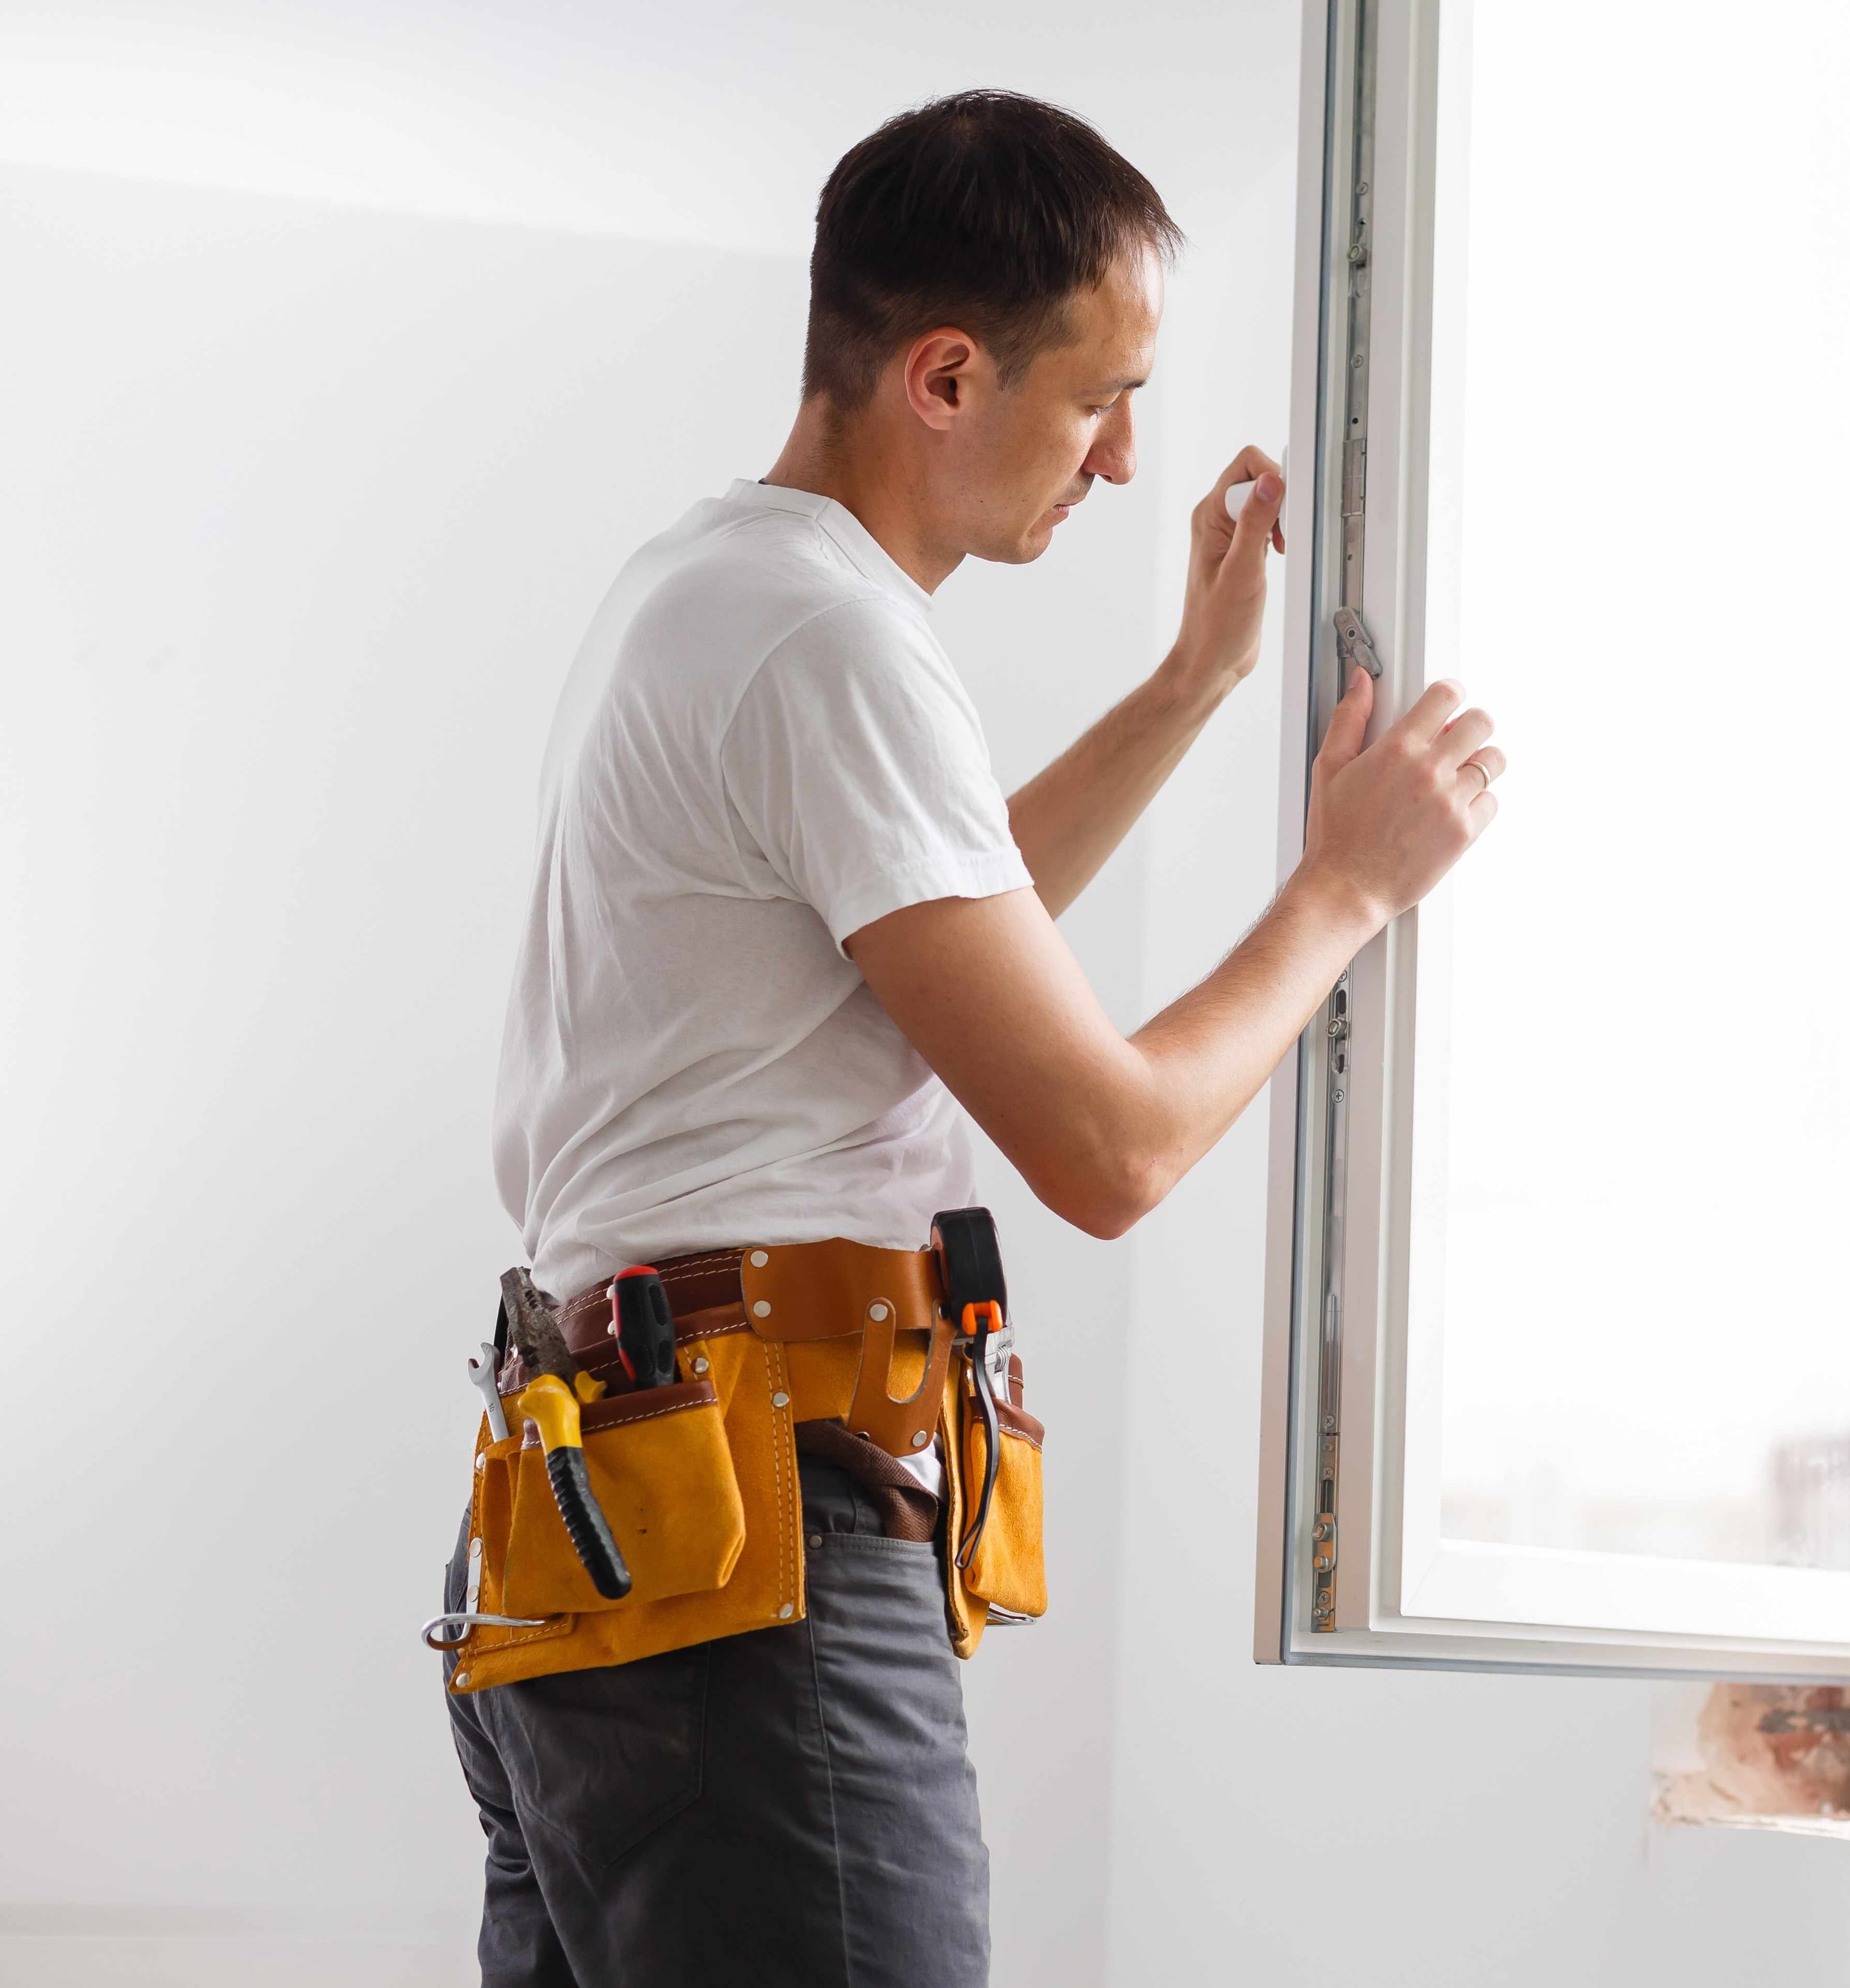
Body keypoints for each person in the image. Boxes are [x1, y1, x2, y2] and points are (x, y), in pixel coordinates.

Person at [445, 87, 1500, 1988]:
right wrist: (1350, 888)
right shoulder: (826, 636)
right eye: (1100, 402)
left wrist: (1189, 689)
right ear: (945, 375)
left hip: (613, 1556)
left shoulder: (714, 585)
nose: (1122, 463)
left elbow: (924, 930)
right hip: (751, 1564)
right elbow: (1112, 1149)